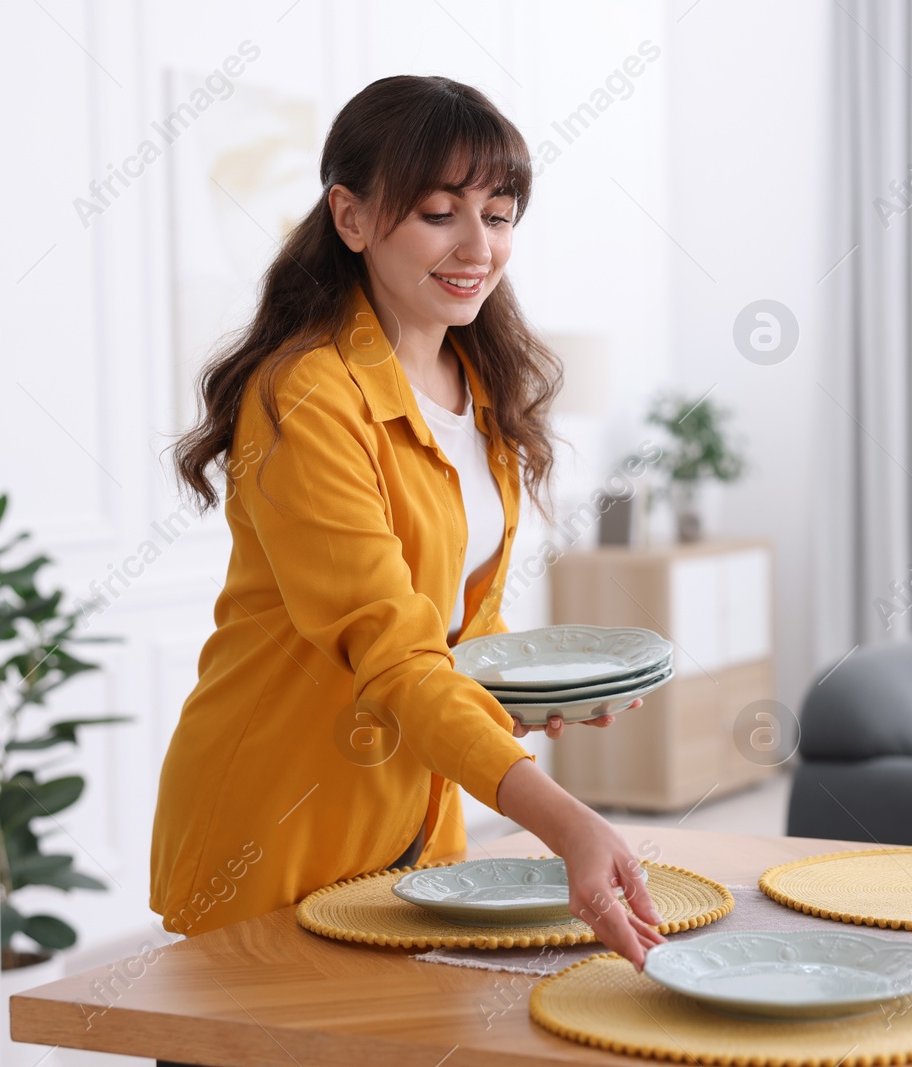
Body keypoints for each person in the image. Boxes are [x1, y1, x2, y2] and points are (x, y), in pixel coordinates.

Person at [149, 75, 666, 980]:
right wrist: (566, 819)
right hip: (277, 829)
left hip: (418, 830)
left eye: (499, 216)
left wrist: (544, 698)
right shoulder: (307, 394)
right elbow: (393, 649)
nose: (479, 246)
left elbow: (461, 635)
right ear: (350, 218)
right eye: (439, 213)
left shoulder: (480, 386)